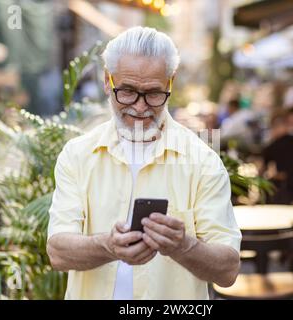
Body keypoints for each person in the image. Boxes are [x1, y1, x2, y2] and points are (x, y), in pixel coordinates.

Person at [46, 26, 241, 300]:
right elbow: (57, 251)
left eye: (153, 93)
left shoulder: (202, 161)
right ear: (107, 81)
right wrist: (107, 246)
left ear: (171, 83)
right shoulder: (77, 155)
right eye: (126, 91)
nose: (139, 107)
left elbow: (228, 270)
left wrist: (183, 246)